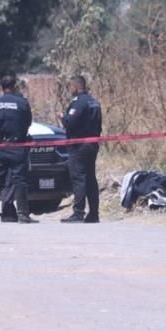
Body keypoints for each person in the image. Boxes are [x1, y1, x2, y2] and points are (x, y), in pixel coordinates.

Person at [0, 74, 37, 224]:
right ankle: (23, 214)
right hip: (17, 146)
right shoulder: (22, 103)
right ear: (14, 86)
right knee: (20, 180)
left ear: (1, 87)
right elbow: (28, 122)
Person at [60, 75, 102, 223]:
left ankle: (78, 213)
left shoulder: (79, 103)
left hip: (79, 145)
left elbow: (70, 122)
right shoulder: (94, 101)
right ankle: (94, 213)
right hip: (92, 144)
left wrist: (62, 117)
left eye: (71, 87)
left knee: (78, 178)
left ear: (76, 87)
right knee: (90, 178)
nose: (70, 90)